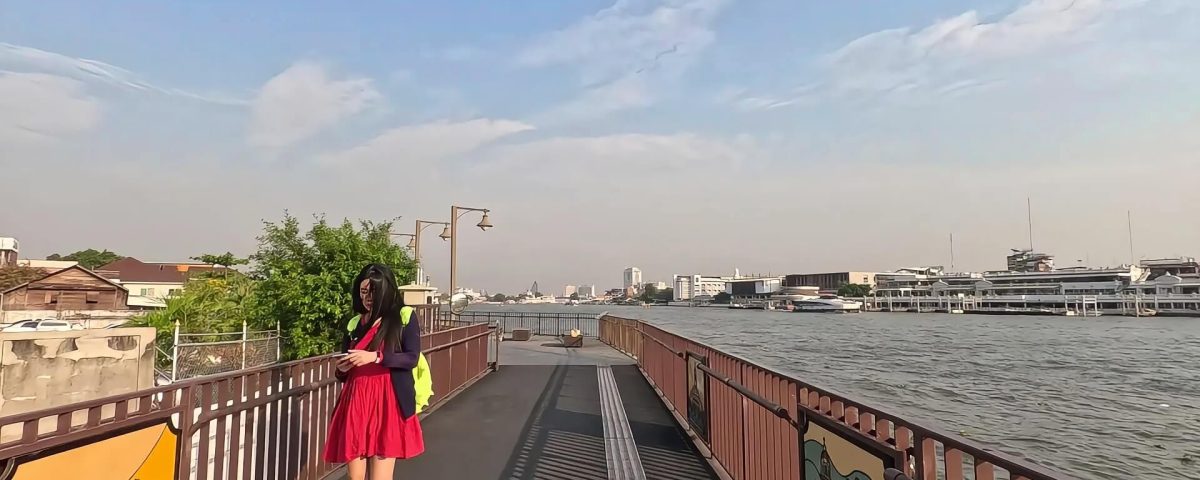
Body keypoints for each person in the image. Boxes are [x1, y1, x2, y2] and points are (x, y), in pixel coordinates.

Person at [324, 264, 425, 480]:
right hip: (356, 400)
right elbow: (345, 367)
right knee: (355, 476)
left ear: (387, 290)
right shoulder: (354, 323)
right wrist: (341, 369)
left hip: (388, 400)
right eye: (363, 292)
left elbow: (411, 358)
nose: (368, 297)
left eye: (373, 292)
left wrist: (376, 357)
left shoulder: (404, 316)